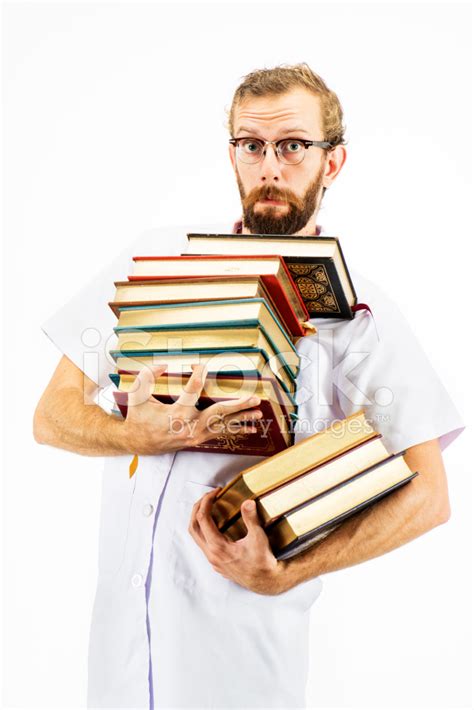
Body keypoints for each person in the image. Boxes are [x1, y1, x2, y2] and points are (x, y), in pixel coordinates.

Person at [34, 64, 465, 709]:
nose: (270, 166)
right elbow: (51, 416)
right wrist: (130, 434)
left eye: (292, 145)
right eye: (251, 145)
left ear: (334, 160)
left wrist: (289, 572)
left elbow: (429, 495)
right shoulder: (154, 264)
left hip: (242, 664)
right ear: (232, 155)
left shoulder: (360, 316)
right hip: (119, 657)